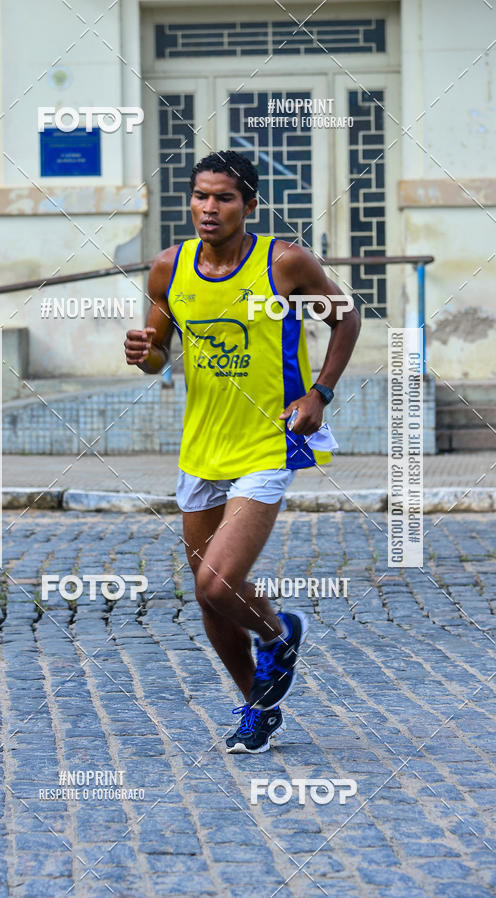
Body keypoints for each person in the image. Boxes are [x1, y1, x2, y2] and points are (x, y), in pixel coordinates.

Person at [125, 150, 360, 753]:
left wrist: (320, 393)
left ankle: (281, 633)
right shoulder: (168, 268)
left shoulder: (284, 262)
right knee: (211, 601)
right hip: (201, 448)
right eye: (201, 196)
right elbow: (157, 356)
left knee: (217, 582)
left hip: (267, 442)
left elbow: (347, 319)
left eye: (224, 197)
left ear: (250, 204)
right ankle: (256, 704)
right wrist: (143, 351)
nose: (209, 208)